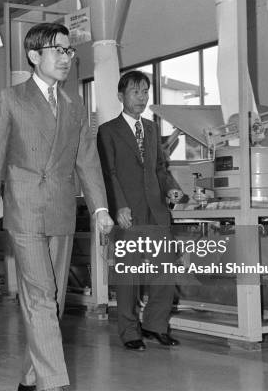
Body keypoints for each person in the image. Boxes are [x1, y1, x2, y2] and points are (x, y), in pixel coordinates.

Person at [0, 23, 114, 391]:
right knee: (39, 297)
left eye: (69, 51)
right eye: (58, 50)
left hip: (62, 211)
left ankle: (30, 378)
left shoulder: (74, 105)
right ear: (34, 56)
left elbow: (87, 161)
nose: (66, 58)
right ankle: (53, 384)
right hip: (24, 211)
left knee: (51, 301)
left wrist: (100, 209)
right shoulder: (10, 99)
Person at [97, 70, 183, 351]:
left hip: (155, 209)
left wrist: (170, 187)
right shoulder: (108, 131)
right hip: (127, 211)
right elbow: (108, 173)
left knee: (166, 269)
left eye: (145, 92)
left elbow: (159, 167)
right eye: (136, 92)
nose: (142, 98)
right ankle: (129, 330)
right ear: (121, 96)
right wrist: (118, 205)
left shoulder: (151, 128)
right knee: (128, 274)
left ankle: (155, 325)